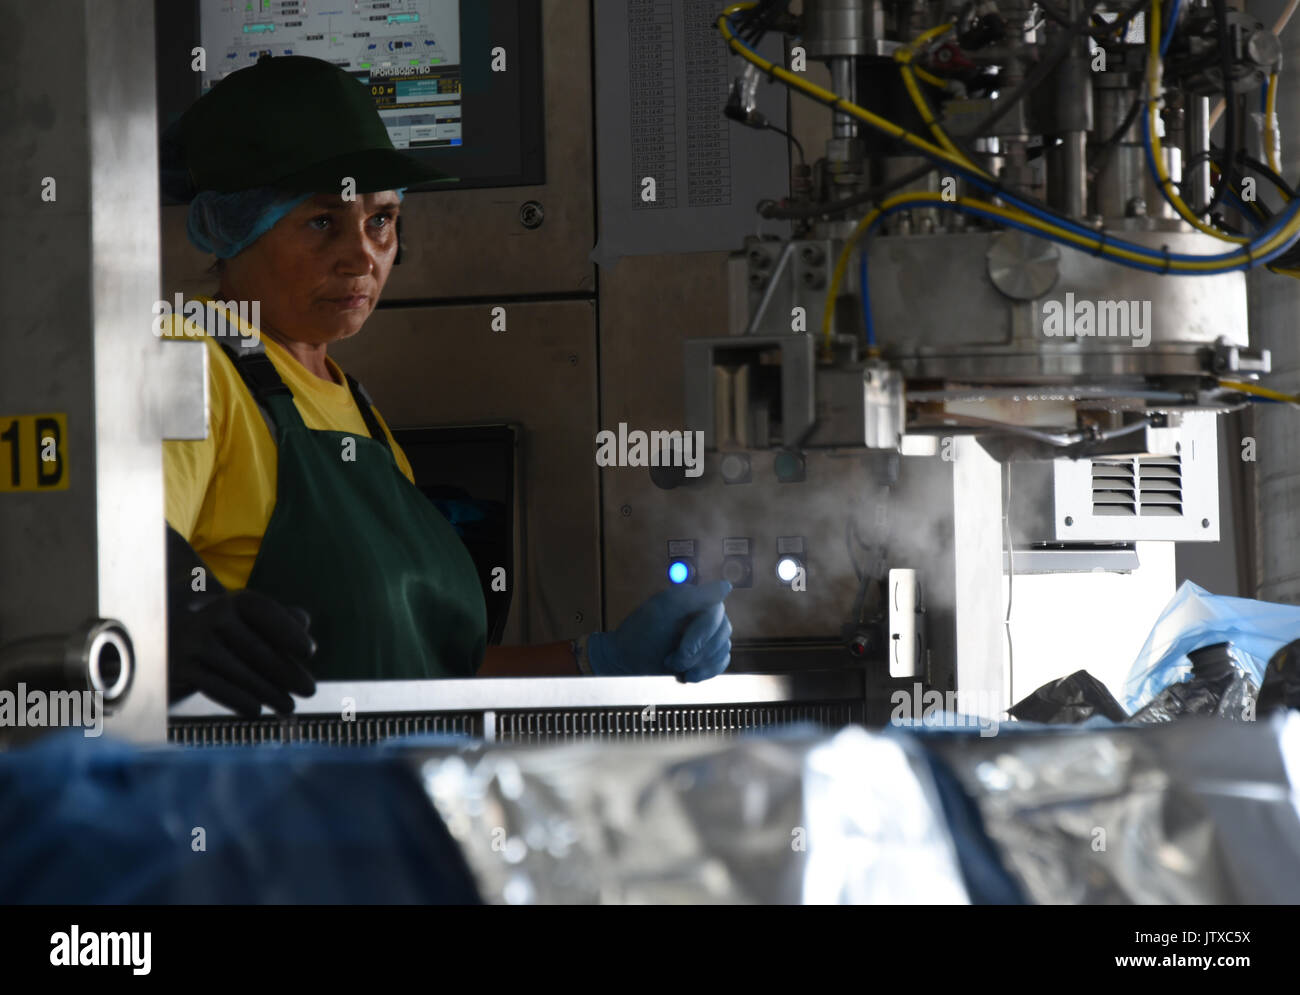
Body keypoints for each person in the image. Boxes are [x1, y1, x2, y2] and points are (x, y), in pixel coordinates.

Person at [161, 56, 733, 718]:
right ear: (228, 228)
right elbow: (114, 553)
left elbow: (434, 673)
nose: (364, 255)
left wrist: (598, 661)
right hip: (263, 811)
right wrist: (175, 612)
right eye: (322, 221)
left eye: (381, 220)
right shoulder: (192, 354)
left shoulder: (356, 410)